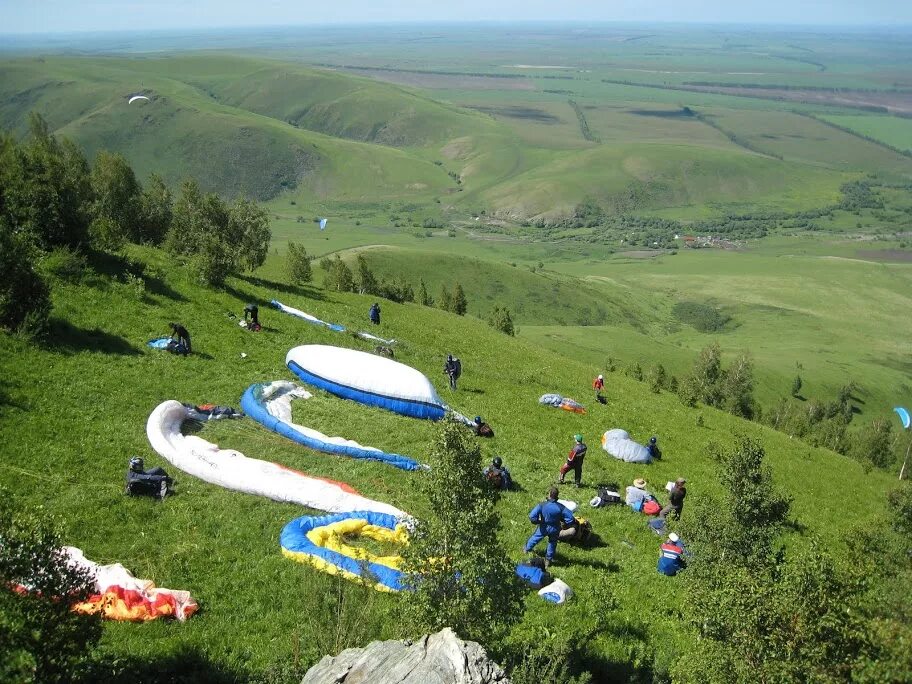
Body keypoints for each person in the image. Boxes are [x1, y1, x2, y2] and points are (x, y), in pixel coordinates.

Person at [524, 487, 576, 568]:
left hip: (543, 526)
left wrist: (538, 521)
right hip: (555, 528)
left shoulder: (542, 505)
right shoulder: (561, 507)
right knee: (552, 543)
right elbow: (570, 519)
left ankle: (526, 549)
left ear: (549, 494)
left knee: (535, 537)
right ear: (557, 496)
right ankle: (548, 560)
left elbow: (532, 516)